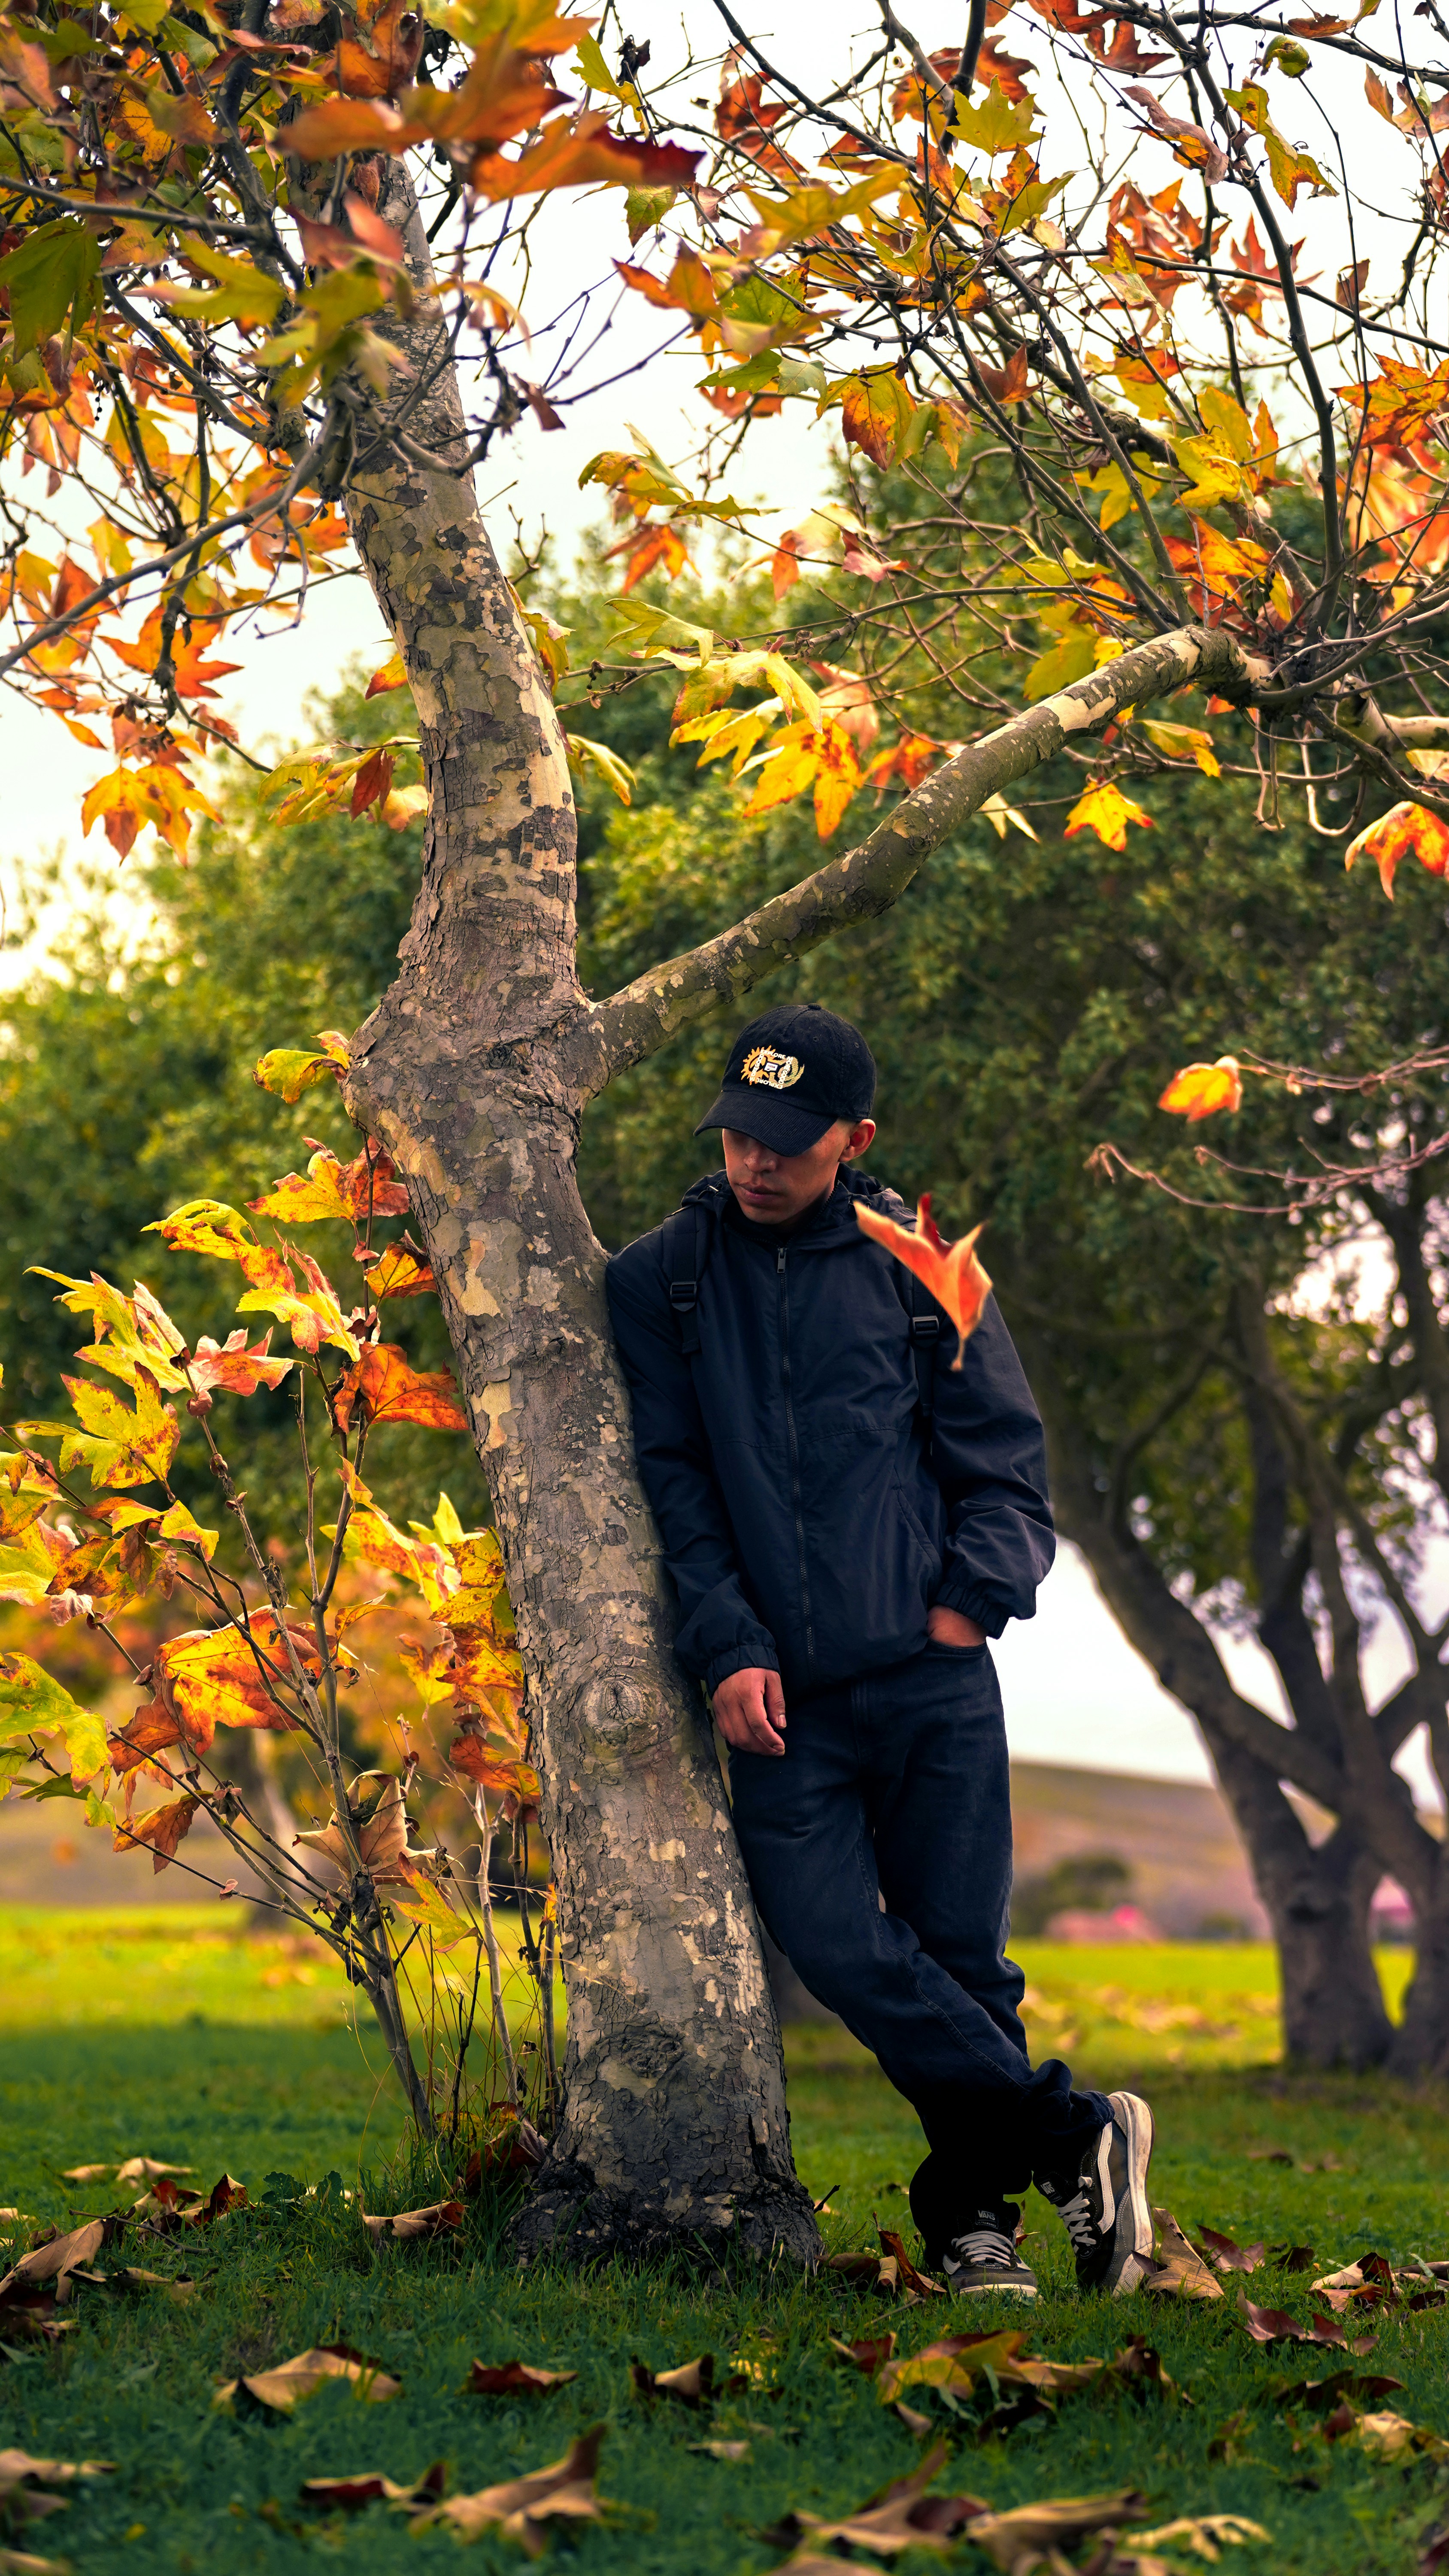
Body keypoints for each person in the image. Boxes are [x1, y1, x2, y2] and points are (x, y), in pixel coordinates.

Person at [605, 1000, 1155, 2297]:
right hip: (782, 1701)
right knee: (837, 1943)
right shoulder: (662, 1280)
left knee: (963, 1962)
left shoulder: (927, 1271)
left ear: (856, 1138)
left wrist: (968, 1606)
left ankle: (974, 2229)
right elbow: (674, 1486)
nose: (756, 1162)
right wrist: (730, 1646)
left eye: (788, 1143)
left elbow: (1009, 1471)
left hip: (934, 1682)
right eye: (740, 1133)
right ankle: (1081, 2138)